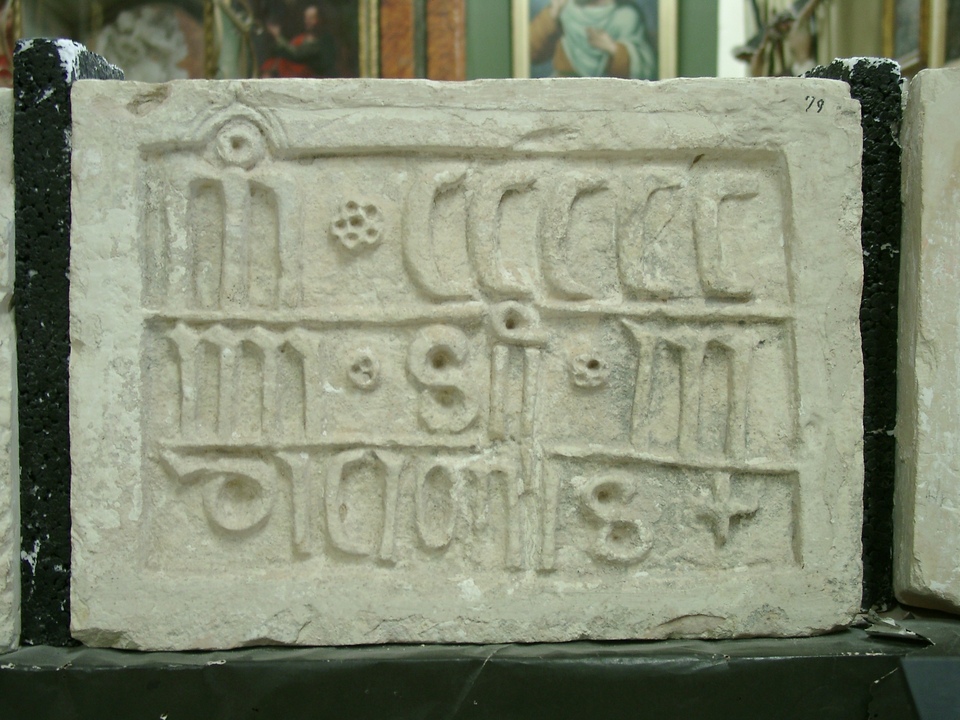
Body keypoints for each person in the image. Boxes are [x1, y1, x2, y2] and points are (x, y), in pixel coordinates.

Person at [529, 0, 655, 79]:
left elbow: (646, 69)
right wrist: (552, 14)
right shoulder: (564, 9)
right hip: (564, 91)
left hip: (611, 95)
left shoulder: (626, 16)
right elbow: (530, 53)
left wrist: (613, 48)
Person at [261, 4, 336, 78]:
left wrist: (278, 36)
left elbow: (297, 55)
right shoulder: (302, 38)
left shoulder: (324, 40)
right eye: (306, 18)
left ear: (320, 19)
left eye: (311, 18)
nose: (307, 21)